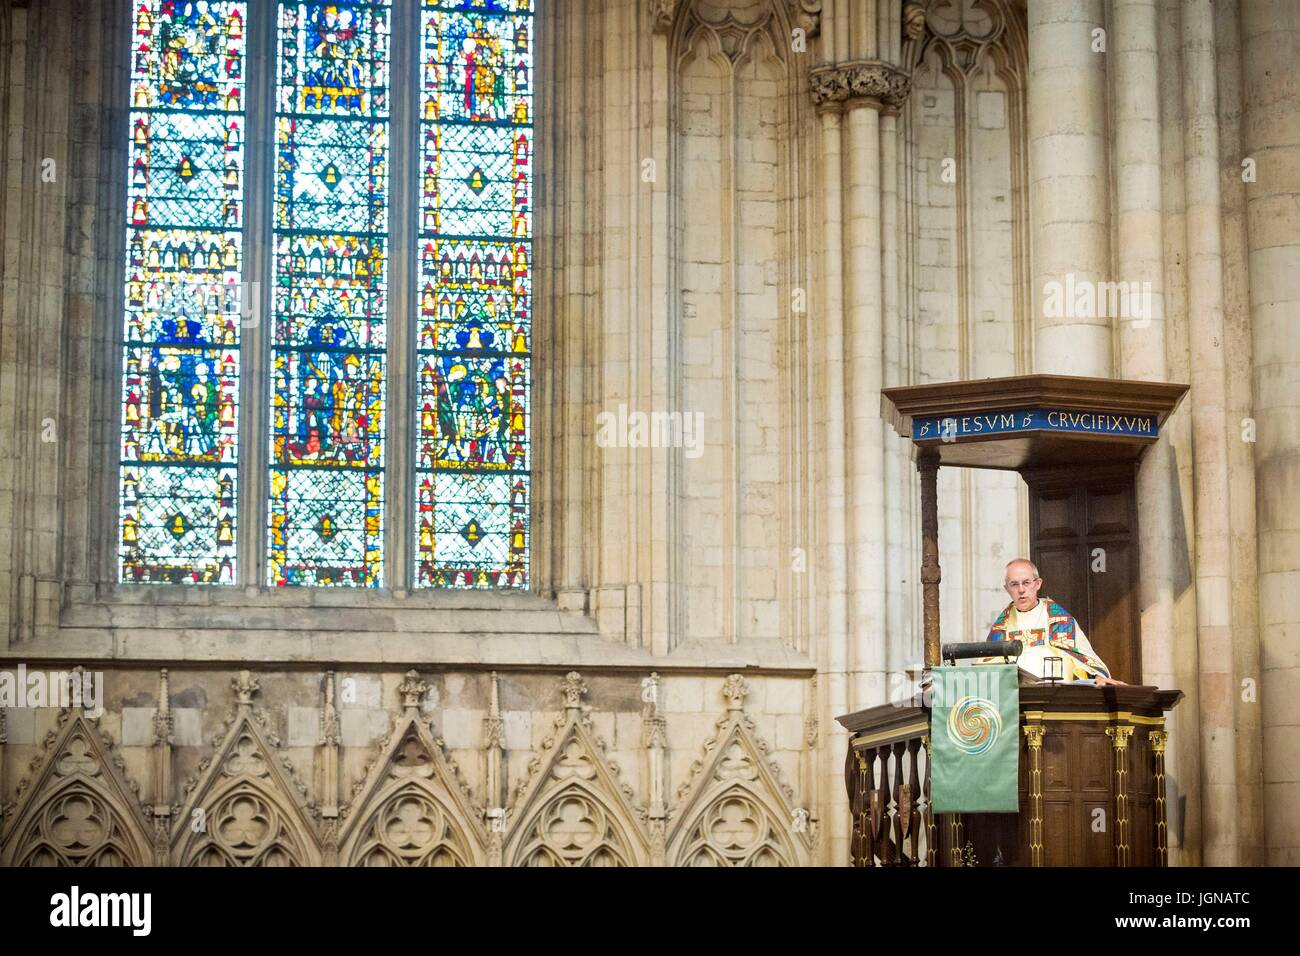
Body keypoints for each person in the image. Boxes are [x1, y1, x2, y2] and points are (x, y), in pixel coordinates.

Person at [986, 559, 1124, 685]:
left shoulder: (1059, 621)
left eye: (1026, 583)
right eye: (1014, 584)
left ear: (1038, 584)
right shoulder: (1001, 628)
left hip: (1055, 700)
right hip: (1014, 703)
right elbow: (987, 668)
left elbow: (1084, 660)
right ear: (1007, 588)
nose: (1021, 590)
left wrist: (1098, 677)